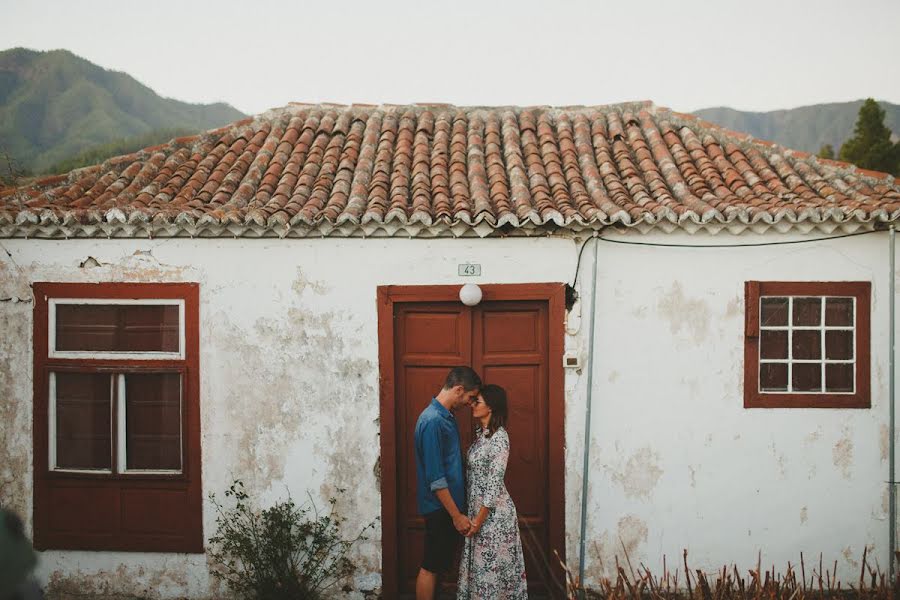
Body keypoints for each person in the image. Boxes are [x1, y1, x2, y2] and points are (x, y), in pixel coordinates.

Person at [414, 366, 482, 600]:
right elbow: (436, 477)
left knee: (440, 565)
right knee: (431, 565)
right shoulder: (433, 421)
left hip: (447, 507)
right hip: (440, 507)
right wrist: (456, 515)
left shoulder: (446, 417)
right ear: (459, 389)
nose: (470, 403)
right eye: (470, 397)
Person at [457, 384, 528, 600]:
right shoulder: (482, 436)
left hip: (494, 517)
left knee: (491, 573)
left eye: (477, 402)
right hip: (478, 513)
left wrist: (478, 521)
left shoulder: (500, 438)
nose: (472, 405)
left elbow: (494, 484)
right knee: (481, 572)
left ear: (491, 407)